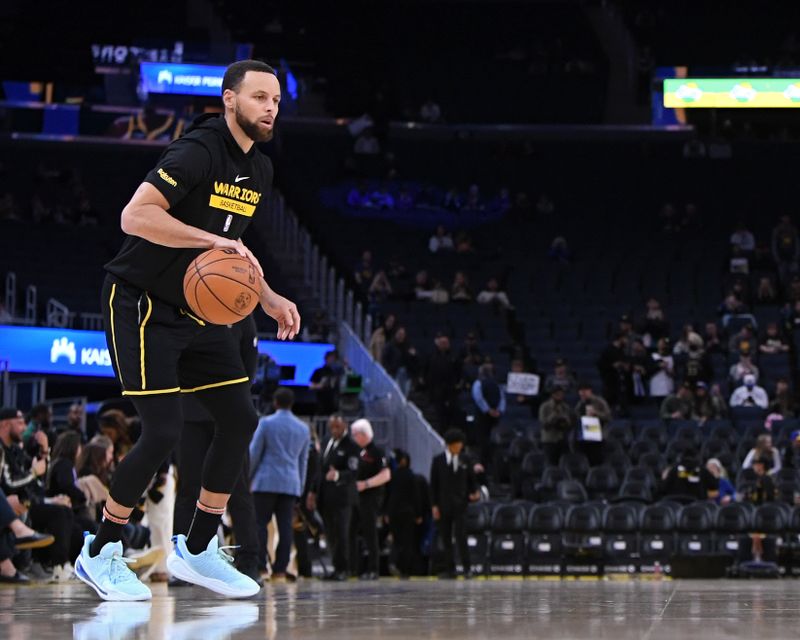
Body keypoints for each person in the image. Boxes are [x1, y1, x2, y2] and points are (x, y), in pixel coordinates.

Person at [75, 59, 300, 602]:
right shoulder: (197, 150)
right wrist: (205, 242)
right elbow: (135, 217)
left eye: (275, 100)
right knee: (164, 430)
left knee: (239, 416)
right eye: (258, 98)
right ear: (229, 100)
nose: (270, 108)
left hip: (199, 310)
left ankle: (197, 548)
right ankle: (100, 550)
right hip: (143, 302)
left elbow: (231, 253)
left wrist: (268, 297)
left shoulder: (260, 170)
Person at [173, 314, 263, 585]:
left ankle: (250, 563)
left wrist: (235, 400)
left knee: (238, 492)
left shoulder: (241, 314)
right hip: (190, 412)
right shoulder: (187, 308)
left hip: (228, 413)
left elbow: (250, 362)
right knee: (188, 489)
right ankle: (183, 562)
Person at [248, 387, 310, 582]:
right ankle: (280, 570)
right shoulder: (303, 428)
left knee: (259, 524)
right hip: (290, 483)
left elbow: (255, 453)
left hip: (265, 482)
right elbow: (303, 461)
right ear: (292, 404)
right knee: (285, 528)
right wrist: (299, 485)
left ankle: (261, 566)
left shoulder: (266, 424)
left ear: (275, 402)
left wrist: (247, 478)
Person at [430, 429, 480, 579]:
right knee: (446, 537)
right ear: (450, 445)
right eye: (457, 444)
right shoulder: (438, 461)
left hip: (461, 504)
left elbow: (472, 480)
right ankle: (450, 570)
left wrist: (475, 491)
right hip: (443, 504)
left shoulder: (465, 459)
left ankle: (467, 568)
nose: (460, 447)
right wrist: (434, 505)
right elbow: (433, 485)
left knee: (461, 535)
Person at [318, 416, 360, 580]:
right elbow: (320, 470)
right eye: (332, 427)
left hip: (343, 499)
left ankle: (344, 569)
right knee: (330, 534)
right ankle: (335, 567)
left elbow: (353, 472)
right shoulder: (326, 441)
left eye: (337, 427)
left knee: (343, 534)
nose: (334, 430)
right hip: (326, 497)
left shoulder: (352, 447)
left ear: (345, 427)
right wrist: (314, 492)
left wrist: (338, 475)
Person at [350, 419, 390, 580]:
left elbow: (386, 475)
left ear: (364, 434)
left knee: (370, 533)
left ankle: (374, 569)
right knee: (351, 531)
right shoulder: (354, 451)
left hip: (370, 497)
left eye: (356, 435)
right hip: (354, 498)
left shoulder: (377, 452)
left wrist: (366, 484)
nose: (353, 438)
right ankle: (353, 567)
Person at [385, 449, 422, 578]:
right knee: (407, 543)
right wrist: (418, 514)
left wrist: (387, 513)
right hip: (407, 513)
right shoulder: (411, 476)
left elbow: (388, 496)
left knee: (396, 541)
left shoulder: (392, 476)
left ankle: (393, 562)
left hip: (394, 513)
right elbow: (415, 496)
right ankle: (405, 570)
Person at [470, 363, 506, 466]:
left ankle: (492, 462)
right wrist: (488, 410)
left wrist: (499, 410)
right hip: (482, 416)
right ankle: (482, 463)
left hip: (494, 416)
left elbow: (502, 398)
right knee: (482, 440)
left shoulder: (496, 384)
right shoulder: (478, 383)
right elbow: (478, 398)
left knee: (493, 439)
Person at [309, 350, 342, 416]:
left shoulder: (336, 372)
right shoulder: (319, 371)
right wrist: (320, 385)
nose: (332, 360)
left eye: (334, 358)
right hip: (321, 403)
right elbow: (311, 386)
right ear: (326, 359)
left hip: (334, 403)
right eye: (331, 358)